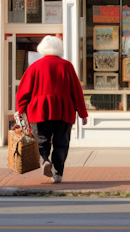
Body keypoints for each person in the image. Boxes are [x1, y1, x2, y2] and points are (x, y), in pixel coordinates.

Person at [15, 35, 88, 183]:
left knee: (41, 140)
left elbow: (24, 91)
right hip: (63, 109)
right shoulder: (66, 66)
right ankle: (58, 172)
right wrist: (82, 113)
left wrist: (20, 109)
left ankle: (44, 160)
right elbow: (76, 91)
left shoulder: (34, 67)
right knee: (61, 142)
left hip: (39, 110)